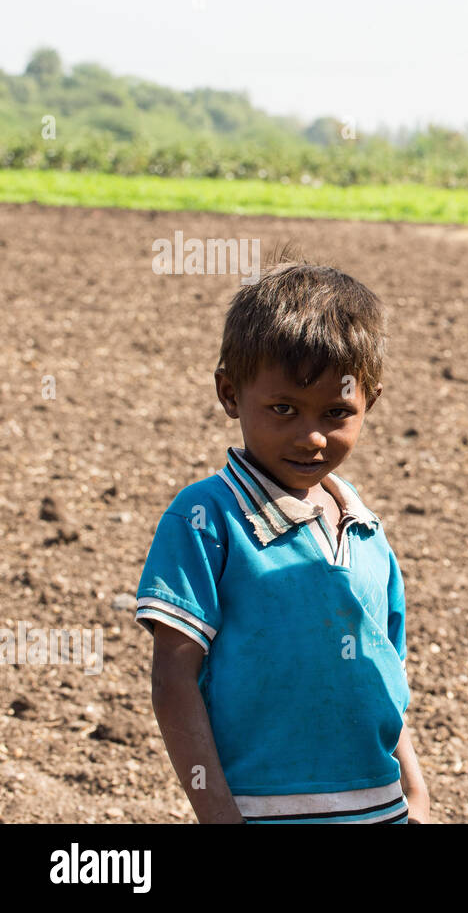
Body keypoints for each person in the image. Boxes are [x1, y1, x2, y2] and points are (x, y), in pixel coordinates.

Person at [136, 260, 428, 823]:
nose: (312, 435)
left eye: (337, 412)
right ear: (229, 393)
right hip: (261, 812)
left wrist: (415, 795)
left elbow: (385, 673)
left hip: (380, 808)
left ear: (371, 401)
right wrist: (218, 813)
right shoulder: (206, 518)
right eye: (284, 410)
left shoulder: (365, 531)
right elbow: (173, 677)